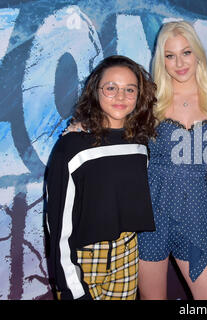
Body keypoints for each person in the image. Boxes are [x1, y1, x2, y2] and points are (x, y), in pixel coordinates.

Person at [45, 55, 157, 300]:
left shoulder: (140, 142)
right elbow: (58, 225)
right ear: (95, 91)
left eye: (130, 89)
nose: (120, 96)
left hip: (127, 254)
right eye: (111, 88)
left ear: (139, 96)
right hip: (84, 260)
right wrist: (70, 286)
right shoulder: (72, 146)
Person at [137, 21, 207, 300]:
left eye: (186, 52)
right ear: (162, 60)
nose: (179, 62)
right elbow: (114, 124)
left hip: (198, 213)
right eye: (170, 55)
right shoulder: (149, 99)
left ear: (198, 54)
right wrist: (81, 127)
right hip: (152, 212)